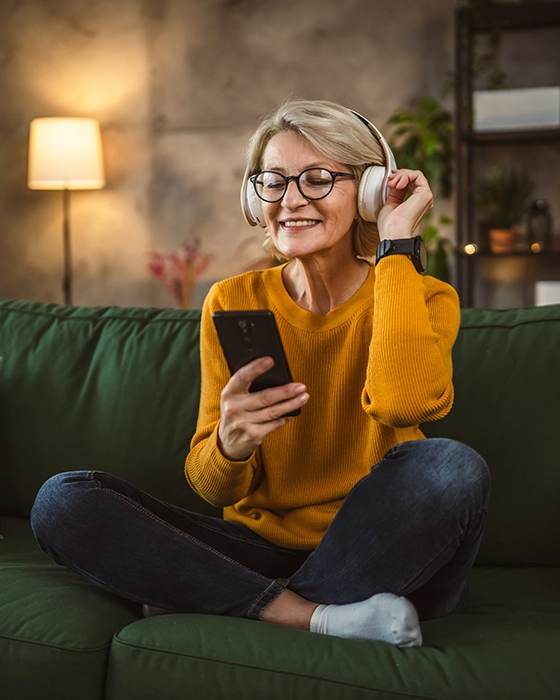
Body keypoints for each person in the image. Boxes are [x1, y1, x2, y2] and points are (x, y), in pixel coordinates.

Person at [31, 99, 490, 648]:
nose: (291, 199)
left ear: (369, 190)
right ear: (255, 197)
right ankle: (314, 617)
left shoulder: (425, 297)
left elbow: (401, 405)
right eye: (273, 181)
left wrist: (395, 245)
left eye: (319, 179)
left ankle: (222, 599)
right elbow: (208, 484)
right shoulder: (233, 300)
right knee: (63, 500)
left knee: (449, 467)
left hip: (383, 548)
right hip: (260, 546)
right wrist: (231, 443)